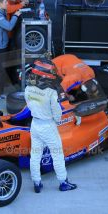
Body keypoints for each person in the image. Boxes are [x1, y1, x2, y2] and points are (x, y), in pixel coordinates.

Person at [24, 59, 77, 193]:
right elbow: (57, 113)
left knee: (35, 155)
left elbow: (29, 105)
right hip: (48, 125)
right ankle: (63, 183)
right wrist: (56, 121)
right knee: (57, 155)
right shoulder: (51, 92)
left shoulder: (28, 89)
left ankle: (37, 183)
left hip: (34, 124)